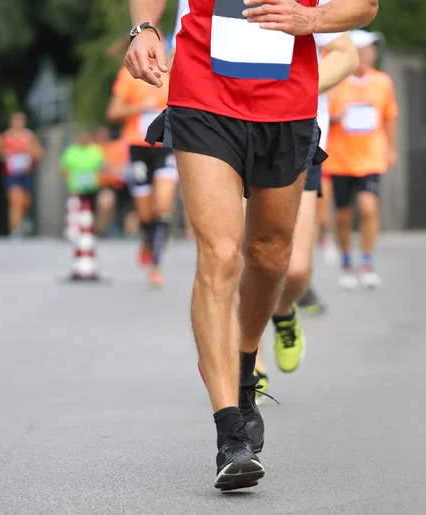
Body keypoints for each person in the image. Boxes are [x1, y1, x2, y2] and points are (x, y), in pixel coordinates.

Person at [125, 0, 378, 491]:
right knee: (220, 253)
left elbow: (365, 6)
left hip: (287, 106)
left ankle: (244, 367)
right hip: (203, 98)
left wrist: (316, 20)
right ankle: (229, 432)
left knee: (270, 254)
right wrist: (144, 26)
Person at [254, 20, 360, 395]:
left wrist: (290, 92)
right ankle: (251, 365)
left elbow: (347, 54)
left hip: (298, 135)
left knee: (294, 269)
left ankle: (283, 312)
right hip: (232, 135)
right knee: (238, 259)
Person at [324, 29, 397, 290]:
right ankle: (346, 260)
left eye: (371, 49)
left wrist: (391, 148)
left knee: (368, 206)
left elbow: (389, 116)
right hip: (340, 159)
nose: (369, 54)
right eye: (364, 49)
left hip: (370, 157)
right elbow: (321, 115)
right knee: (343, 215)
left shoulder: (382, 82)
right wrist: (337, 117)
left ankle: (366, 261)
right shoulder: (335, 81)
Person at [106, 57, 179, 287]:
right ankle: (148, 239)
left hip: (165, 148)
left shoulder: (172, 72)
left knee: (164, 205)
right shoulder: (129, 74)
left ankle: (156, 266)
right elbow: (113, 112)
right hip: (138, 150)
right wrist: (141, 106)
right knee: (145, 214)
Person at [2, 112, 45, 239]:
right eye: (15, 121)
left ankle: (24, 219)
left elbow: (40, 154)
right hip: (12, 174)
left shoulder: (29, 136)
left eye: (20, 121)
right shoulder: (7, 137)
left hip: (26, 173)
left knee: (25, 202)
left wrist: (28, 150)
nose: (18, 124)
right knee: (15, 200)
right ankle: (15, 229)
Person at [94, 126, 138, 238]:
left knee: (132, 214)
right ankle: (100, 232)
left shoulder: (129, 147)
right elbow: (103, 166)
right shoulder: (103, 148)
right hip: (110, 185)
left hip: (129, 186)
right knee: (105, 201)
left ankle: (130, 236)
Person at [60, 130, 105, 219]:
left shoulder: (95, 150)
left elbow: (102, 166)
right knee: (75, 210)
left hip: (92, 188)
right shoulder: (71, 151)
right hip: (76, 189)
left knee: (91, 212)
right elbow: (64, 168)